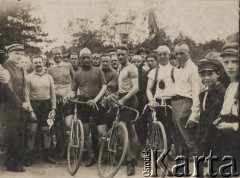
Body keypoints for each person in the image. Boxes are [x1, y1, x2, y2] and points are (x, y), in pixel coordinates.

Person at [67, 48, 107, 167]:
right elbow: (74, 90)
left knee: (101, 132)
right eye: (83, 58)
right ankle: (91, 156)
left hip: (97, 102)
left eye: (87, 57)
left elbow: (104, 87)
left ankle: (102, 155)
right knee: (85, 131)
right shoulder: (78, 74)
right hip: (83, 103)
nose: (86, 60)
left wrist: (95, 100)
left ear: (91, 58)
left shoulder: (98, 71)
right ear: (80, 59)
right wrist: (70, 95)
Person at [1, 44, 32, 172]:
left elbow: (24, 88)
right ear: (9, 54)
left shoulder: (20, 68)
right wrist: (21, 103)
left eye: (21, 53)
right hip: (8, 107)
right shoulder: (4, 68)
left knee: (20, 134)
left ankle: (17, 162)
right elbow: (9, 90)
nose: (20, 56)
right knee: (11, 135)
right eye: (16, 53)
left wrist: (25, 103)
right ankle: (11, 164)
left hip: (20, 107)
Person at [195, 57, 226, 177]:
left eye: (210, 74)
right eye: (203, 75)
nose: (206, 78)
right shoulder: (203, 94)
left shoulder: (223, 92)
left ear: (218, 74)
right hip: (204, 133)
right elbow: (203, 117)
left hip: (217, 135)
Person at [214, 32, 239, 173]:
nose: (230, 67)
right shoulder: (231, 85)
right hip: (225, 140)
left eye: (235, 61)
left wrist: (232, 126)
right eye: (226, 62)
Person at [172, 42, 203, 158]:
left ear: (189, 53)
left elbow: (197, 94)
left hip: (186, 105)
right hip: (175, 104)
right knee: (180, 140)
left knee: (190, 141)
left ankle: (198, 172)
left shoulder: (194, 70)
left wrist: (194, 116)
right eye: (176, 54)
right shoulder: (177, 69)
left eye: (182, 53)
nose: (179, 56)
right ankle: (182, 170)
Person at [26, 55, 56, 166]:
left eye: (40, 62)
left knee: (46, 131)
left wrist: (53, 108)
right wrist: (30, 111)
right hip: (34, 105)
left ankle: (47, 155)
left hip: (46, 106)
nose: (38, 64)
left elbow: (53, 94)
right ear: (32, 64)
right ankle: (30, 156)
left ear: (43, 62)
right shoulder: (28, 77)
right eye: (36, 62)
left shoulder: (49, 77)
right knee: (32, 132)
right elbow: (26, 96)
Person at [146, 45, 175, 153]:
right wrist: (152, 101)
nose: (162, 56)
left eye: (165, 54)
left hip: (172, 102)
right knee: (156, 128)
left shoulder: (175, 70)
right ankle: (159, 152)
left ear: (169, 55)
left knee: (172, 130)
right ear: (157, 56)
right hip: (158, 102)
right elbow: (148, 89)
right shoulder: (154, 72)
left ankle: (169, 151)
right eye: (160, 54)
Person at [47, 47, 75, 158]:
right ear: (52, 56)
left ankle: (71, 149)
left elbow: (75, 81)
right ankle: (60, 150)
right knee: (58, 126)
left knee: (69, 124)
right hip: (56, 99)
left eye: (59, 54)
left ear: (62, 54)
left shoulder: (68, 65)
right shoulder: (50, 69)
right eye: (55, 54)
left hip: (68, 98)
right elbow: (49, 85)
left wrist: (70, 94)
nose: (57, 56)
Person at [116, 46, 139, 176]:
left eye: (122, 55)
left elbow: (136, 88)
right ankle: (133, 157)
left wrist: (123, 99)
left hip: (129, 100)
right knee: (130, 130)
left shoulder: (132, 68)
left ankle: (130, 162)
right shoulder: (121, 68)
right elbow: (121, 86)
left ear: (128, 54)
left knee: (122, 129)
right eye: (118, 55)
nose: (120, 57)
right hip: (122, 98)